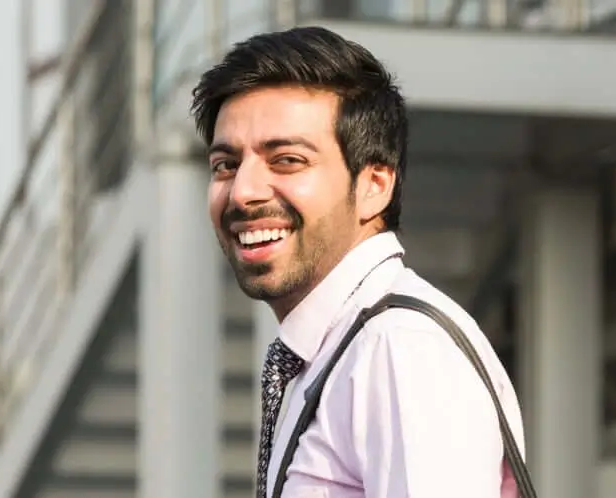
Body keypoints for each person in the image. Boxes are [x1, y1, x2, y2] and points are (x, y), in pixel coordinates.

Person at [190, 26, 526, 498]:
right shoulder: (342, 347)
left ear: (374, 186)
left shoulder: (398, 347)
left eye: (286, 159)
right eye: (225, 164)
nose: (243, 192)